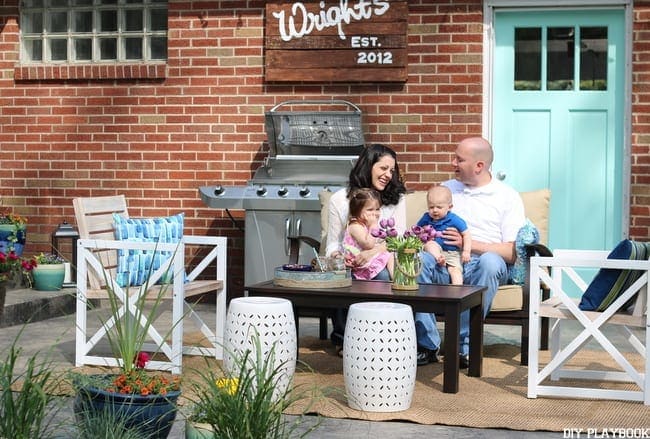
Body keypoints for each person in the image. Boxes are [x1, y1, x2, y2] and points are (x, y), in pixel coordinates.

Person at [415, 137, 526, 368]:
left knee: (491, 262)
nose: (452, 162)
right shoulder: (446, 191)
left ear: (479, 166)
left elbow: (512, 252)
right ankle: (427, 345)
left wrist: (468, 245)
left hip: (480, 265)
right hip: (444, 263)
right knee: (420, 260)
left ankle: (461, 346)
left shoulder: (507, 196)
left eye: (459, 159)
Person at [326, 144, 420, 354]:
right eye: (383, 168)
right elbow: (333, 241)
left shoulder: (395, 199)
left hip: (381, 257)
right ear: (368, 166)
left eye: (392, 170)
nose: (388, 175)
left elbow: (399, 240)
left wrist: (370, 252)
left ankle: (384, 337)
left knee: (385, 274)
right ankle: (344, 338)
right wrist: (337, 255)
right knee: (338, 274)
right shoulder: (340, 200)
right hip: (350, 258)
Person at [416, 184, 471, 286]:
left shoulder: (454, 219)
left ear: (449, 207)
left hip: (452, 252)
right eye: (431, 207)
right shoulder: (426, 217)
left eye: (439, 207)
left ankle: (457, 291)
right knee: (430, 244)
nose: (435, 210)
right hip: (436, 252)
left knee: (455, 271)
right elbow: (417, 229)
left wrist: (466, 251)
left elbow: (466, 234)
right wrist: (421, 231)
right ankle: (439, 258)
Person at [342, 188, 394, 280]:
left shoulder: (366, 225)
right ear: (357, 210)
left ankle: (396, 279)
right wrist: (373, 225)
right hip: (363, 266)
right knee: (383, 275)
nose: (375, 213)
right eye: (370, 210)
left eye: (377, 209)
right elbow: (368, 245)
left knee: (390, 254)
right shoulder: (355, 226)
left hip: (371, 260)